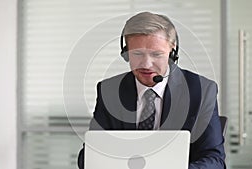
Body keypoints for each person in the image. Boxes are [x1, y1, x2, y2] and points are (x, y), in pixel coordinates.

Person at [77, 11, 226, 169]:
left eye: (156, 54)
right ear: (126, 53)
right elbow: (88, 156)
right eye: (137, 54)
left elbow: (214, 160)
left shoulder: (202, 90)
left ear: (172, 51)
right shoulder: (109, 90)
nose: (146, 65)